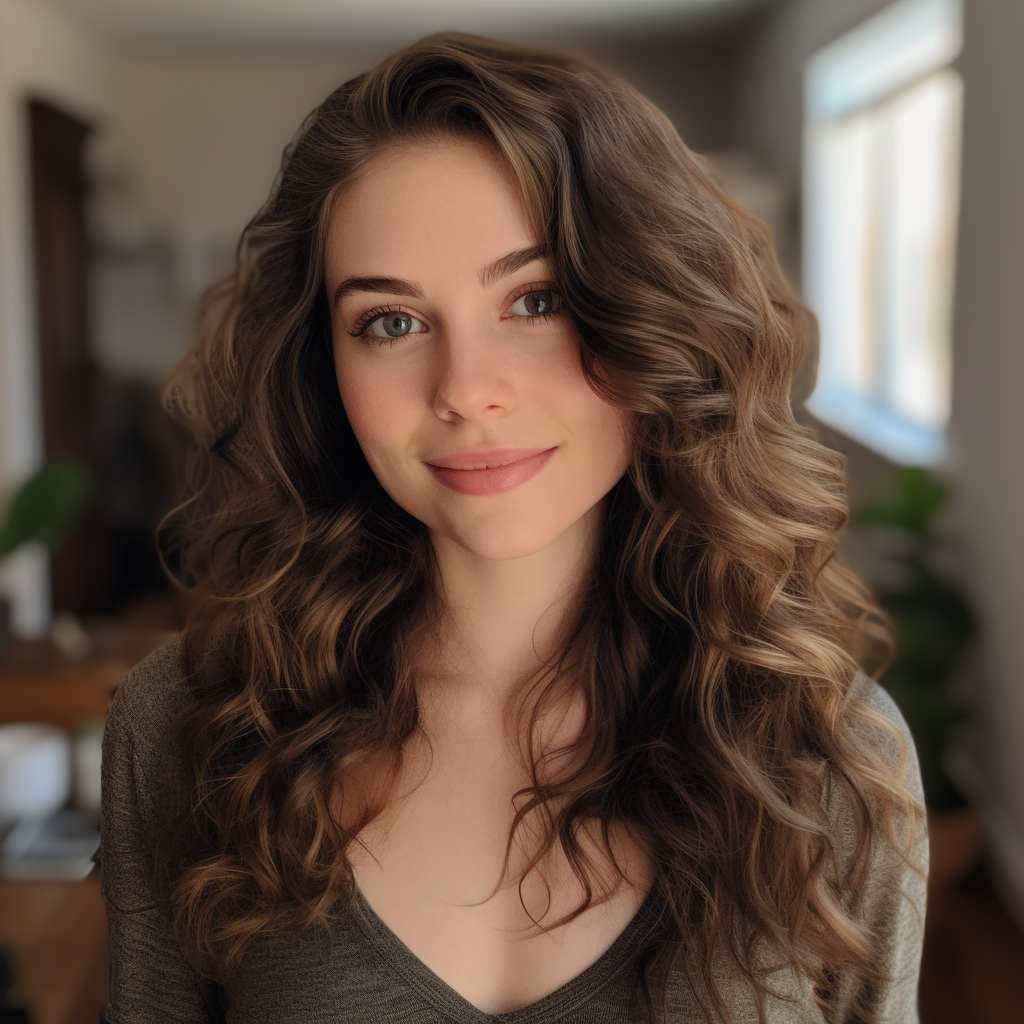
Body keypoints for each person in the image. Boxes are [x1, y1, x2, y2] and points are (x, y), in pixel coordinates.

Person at [98, 32, 928, 1024]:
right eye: (391, 322)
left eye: (533, 300)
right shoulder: (191, 727)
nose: (464, 391)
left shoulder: (831, 753)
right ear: (323, 364)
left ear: (647, 315)